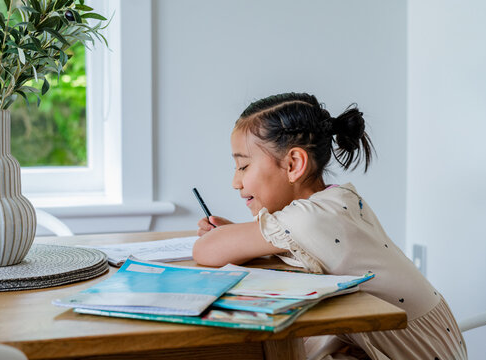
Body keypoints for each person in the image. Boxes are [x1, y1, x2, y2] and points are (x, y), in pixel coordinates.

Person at [192, 92, 467, 360]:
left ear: (293, 164)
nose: (235, 182)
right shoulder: (337, 200)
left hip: (413, 349)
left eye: (243, 167)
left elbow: (204, 251)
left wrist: (227, 238)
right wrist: (235, 234)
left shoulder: (310, 218)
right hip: (426, 338)